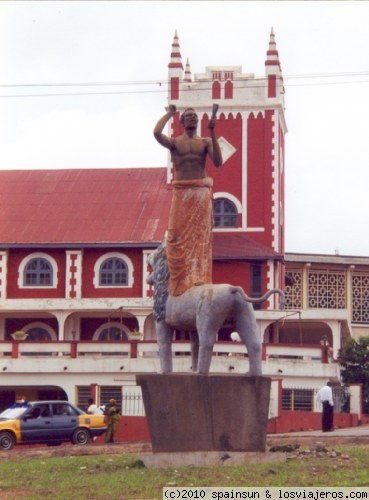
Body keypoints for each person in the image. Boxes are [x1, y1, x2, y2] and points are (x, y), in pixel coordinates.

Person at [153, 105, 223, 296]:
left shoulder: (205, 142)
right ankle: (178, 282)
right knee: (175, 235)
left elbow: (218, 161)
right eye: (188, 116)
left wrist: (213, 131)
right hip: (182, 190)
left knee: (201, 238)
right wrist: (169, 113)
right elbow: (157, 133)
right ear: (182, 122)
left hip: (200, 191)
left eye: (195, 116)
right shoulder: (175, 143)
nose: (192, 118)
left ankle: (199, 278)